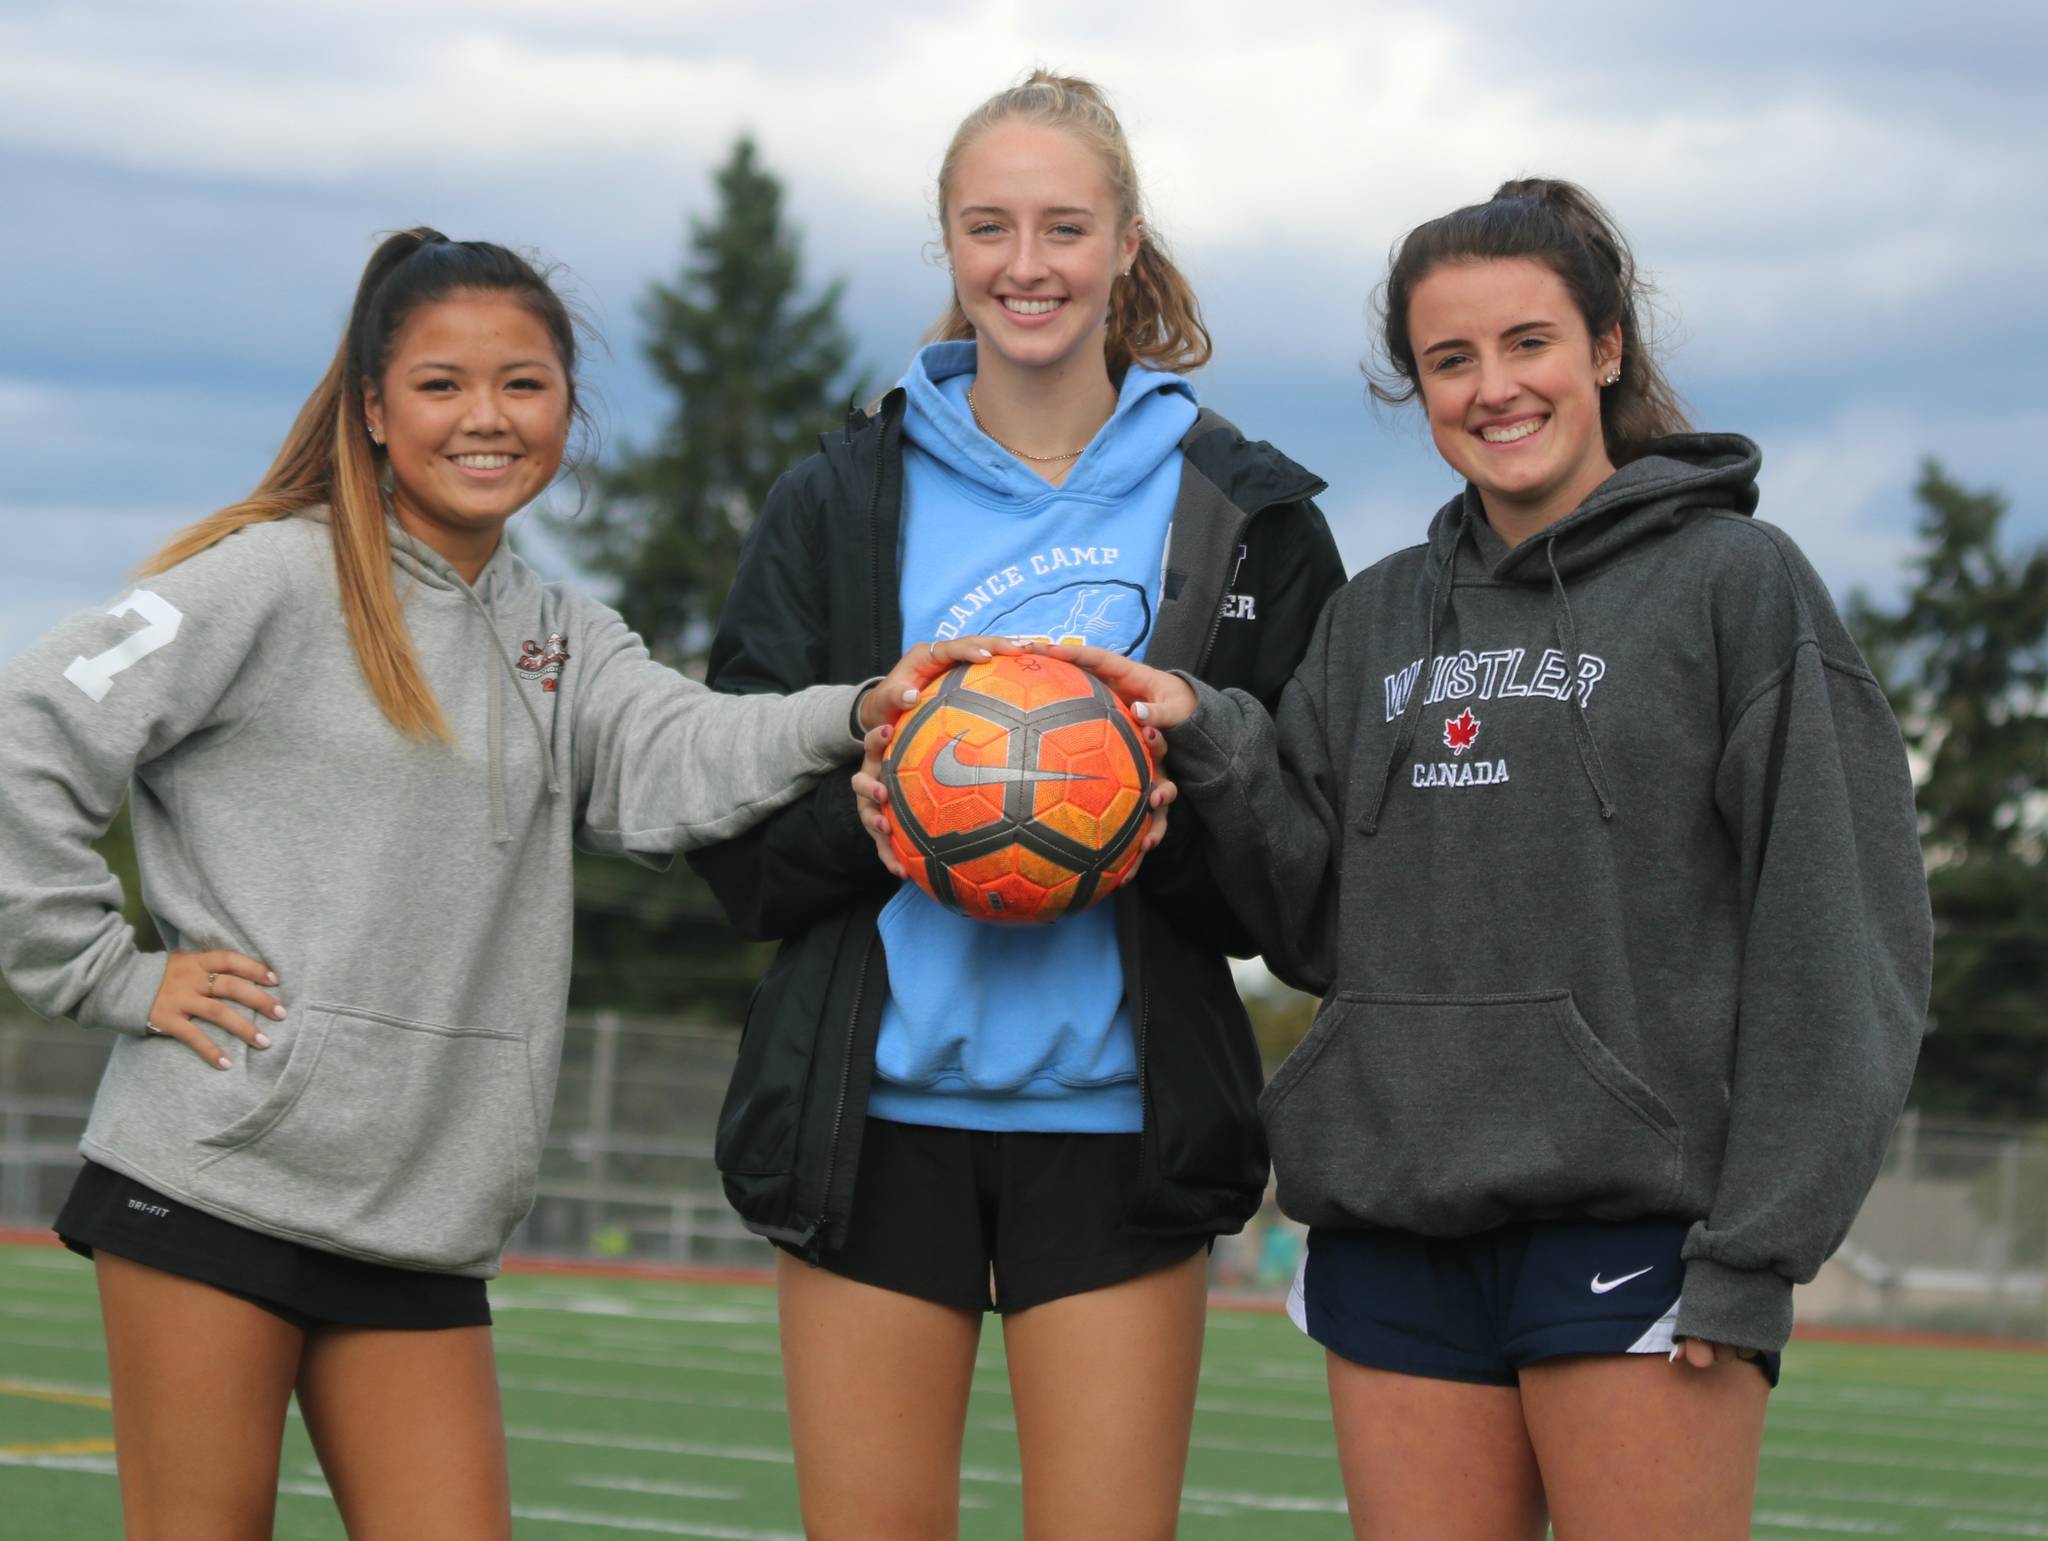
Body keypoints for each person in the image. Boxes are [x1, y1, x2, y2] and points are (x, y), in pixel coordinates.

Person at [0, 229, 997, 1541]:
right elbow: (31, 724)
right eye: (441, 384)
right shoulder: (273, 578)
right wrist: (108, 970)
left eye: (523, 383)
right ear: (371, 407)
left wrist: (862, 708)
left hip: (421, 1214)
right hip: (212, 1178)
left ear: (567, 409)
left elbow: (675, 755)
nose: (487, 417)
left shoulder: (558, 634)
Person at [1034, 179, 1931, 1539]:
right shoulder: (1381, 612)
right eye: (1451, 359)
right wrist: (1215, 741)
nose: (1494, 388)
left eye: (1530, 343)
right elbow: (1313, 927)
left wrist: (1757, 1247)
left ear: (1607, 349)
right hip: (1395, 1231)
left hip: (1640, 1236)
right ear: (1416, 386)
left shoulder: (1737, 586)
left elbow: (1841, 935)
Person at [689, 72, 1345, 1540]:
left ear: (1125, 244)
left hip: (1122, 1121)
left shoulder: (1253, 515)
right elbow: (733, 837)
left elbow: (1311, 873)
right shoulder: (838, 498)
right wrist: (874, 813)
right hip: (871, 1120)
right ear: (948, 244)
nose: (1026, 264)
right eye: (989, 227)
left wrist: (1158, 817)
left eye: (1065, 226)